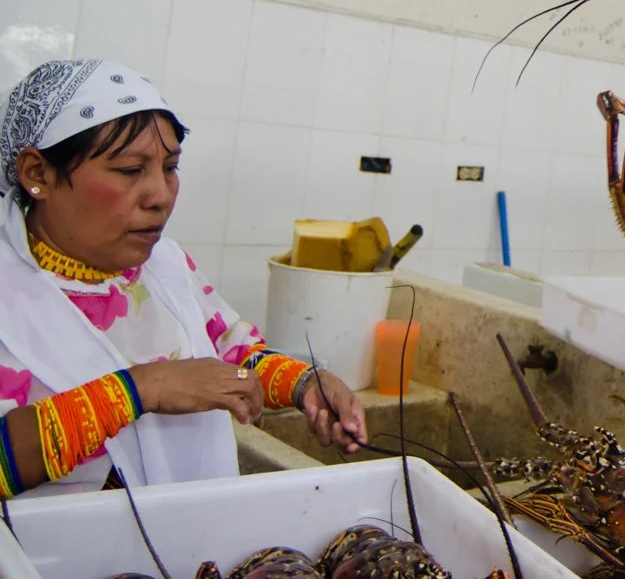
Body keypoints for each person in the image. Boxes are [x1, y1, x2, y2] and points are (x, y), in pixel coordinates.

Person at [0, 59, 367, 500]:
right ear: (38, 173)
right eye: (130, 171)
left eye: (170, 167)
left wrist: (305, 383)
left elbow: (231, 357)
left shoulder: (166, 266)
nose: (161, 196)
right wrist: (143, 389)